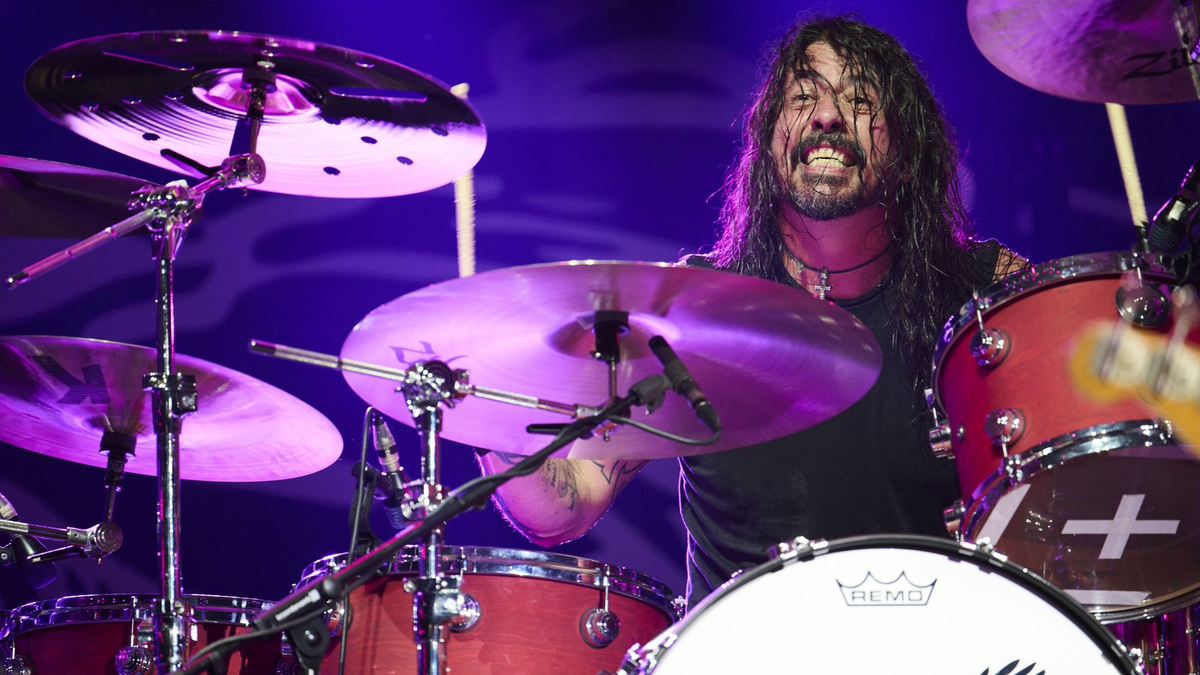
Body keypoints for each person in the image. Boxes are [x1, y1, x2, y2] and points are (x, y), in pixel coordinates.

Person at [477, 14, 1026, 607]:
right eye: (802, 97)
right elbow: (569, 503)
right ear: (768, 139)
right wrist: (484, 409)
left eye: (860, 98)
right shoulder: (690, 314)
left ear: (907, 143)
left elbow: (1074, 491)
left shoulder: (988, 292)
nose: (827, 115)